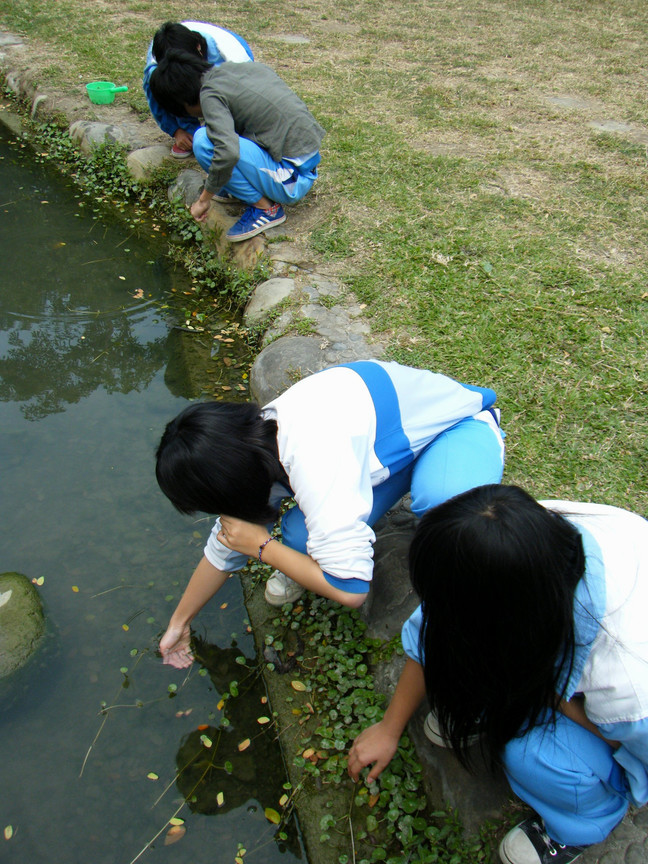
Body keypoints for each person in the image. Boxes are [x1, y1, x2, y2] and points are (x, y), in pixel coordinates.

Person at [347, 484, 648, 864]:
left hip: (625, 731)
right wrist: (389, 728)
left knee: (527, 752)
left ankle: (584, 820)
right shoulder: (511, 543)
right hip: (551, 638)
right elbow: (434, 625)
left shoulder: (630, 680)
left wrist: (548, 694)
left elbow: (630, 745)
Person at [155, 360, 505, 668]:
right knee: (299, 538)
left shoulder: (313, 456)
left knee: (449, 511)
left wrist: (262, 547)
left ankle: (460, 463)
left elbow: (351, 589)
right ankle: (318, 545)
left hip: (454, 427)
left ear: (232, 487)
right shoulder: (252, 442)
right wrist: (180, 622)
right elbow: (224, 545)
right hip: (389, 450)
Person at [148, 50, 325, 241]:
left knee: (204, 141)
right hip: (305, 158)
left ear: (183, 102)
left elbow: (228, 153)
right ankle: (237, 187)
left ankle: (267, 209)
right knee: (216, 133)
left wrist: (203, 200)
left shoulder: (209, 95)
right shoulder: (231, 71)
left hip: (293, 178)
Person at [142, 21, 254, 159]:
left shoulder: (232, 58)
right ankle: (191, 132)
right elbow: (155, 94)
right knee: (177, 90)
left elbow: (246, 99)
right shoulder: (159, 57)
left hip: (228, 61)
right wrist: (177, 130)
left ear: (198, 49)